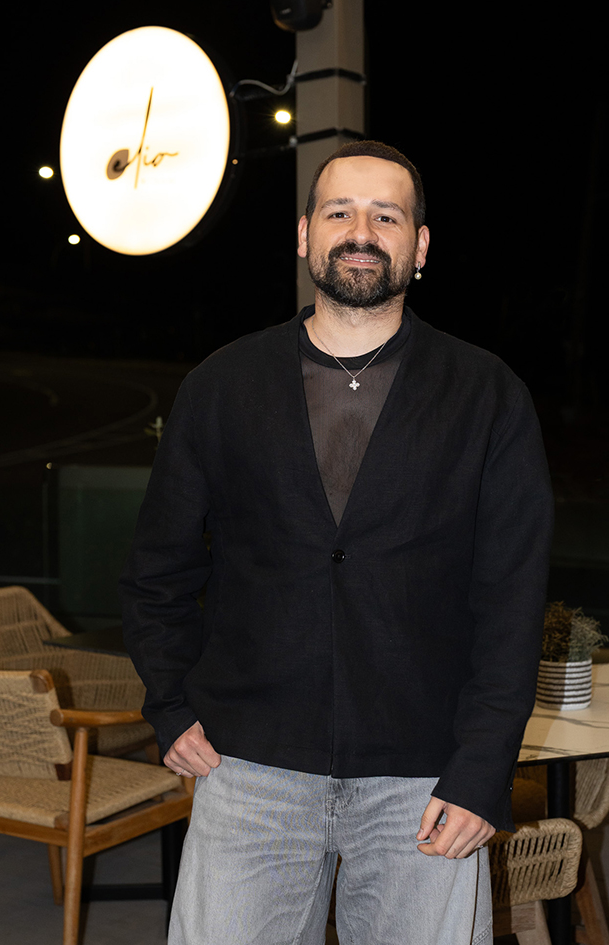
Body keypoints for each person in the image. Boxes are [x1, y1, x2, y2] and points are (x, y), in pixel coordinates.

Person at [119, 140, 553, 945]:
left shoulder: (487, 393)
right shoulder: (221, 385)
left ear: (419, 245)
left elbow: (510, 600)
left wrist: (481, 768)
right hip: (247, 766)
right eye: (339, 212)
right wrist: (169, 704)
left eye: (386, 216)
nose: (361, 231)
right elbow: (158, 570)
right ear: (303, 234)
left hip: (424, 778)